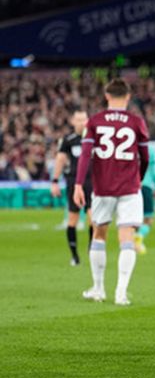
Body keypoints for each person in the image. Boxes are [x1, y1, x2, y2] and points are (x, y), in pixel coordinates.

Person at [74, 79, 150, 306]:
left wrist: (79, 184)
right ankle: (121, 293)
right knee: (126, 237)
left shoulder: (95, 121)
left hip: (103, 187)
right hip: (129, 186)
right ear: (127, 97)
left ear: (107, 96)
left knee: (99, 233)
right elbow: (144, 157)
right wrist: (140, 176)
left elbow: (85, 155)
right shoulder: (137, 122)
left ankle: (98, 289)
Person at [50, 109, 93, 265]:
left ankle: (91, 249)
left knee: (93, 218)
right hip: (73, 182)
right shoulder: (68, 140)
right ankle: (74, 256)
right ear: (73, 121)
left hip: (92, 182)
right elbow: (60, 160)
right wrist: (55, 181)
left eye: (84, 119)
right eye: (79, 120)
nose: (82, 123)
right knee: (72, 218)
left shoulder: (95, 138)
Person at [134, 143, 155, 255]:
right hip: (146, 186)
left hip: (131, 186)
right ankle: (139, 237)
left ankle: (133, 243)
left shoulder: (129, 145)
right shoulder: (150, 149)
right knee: (148, 218)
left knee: (133, 218)